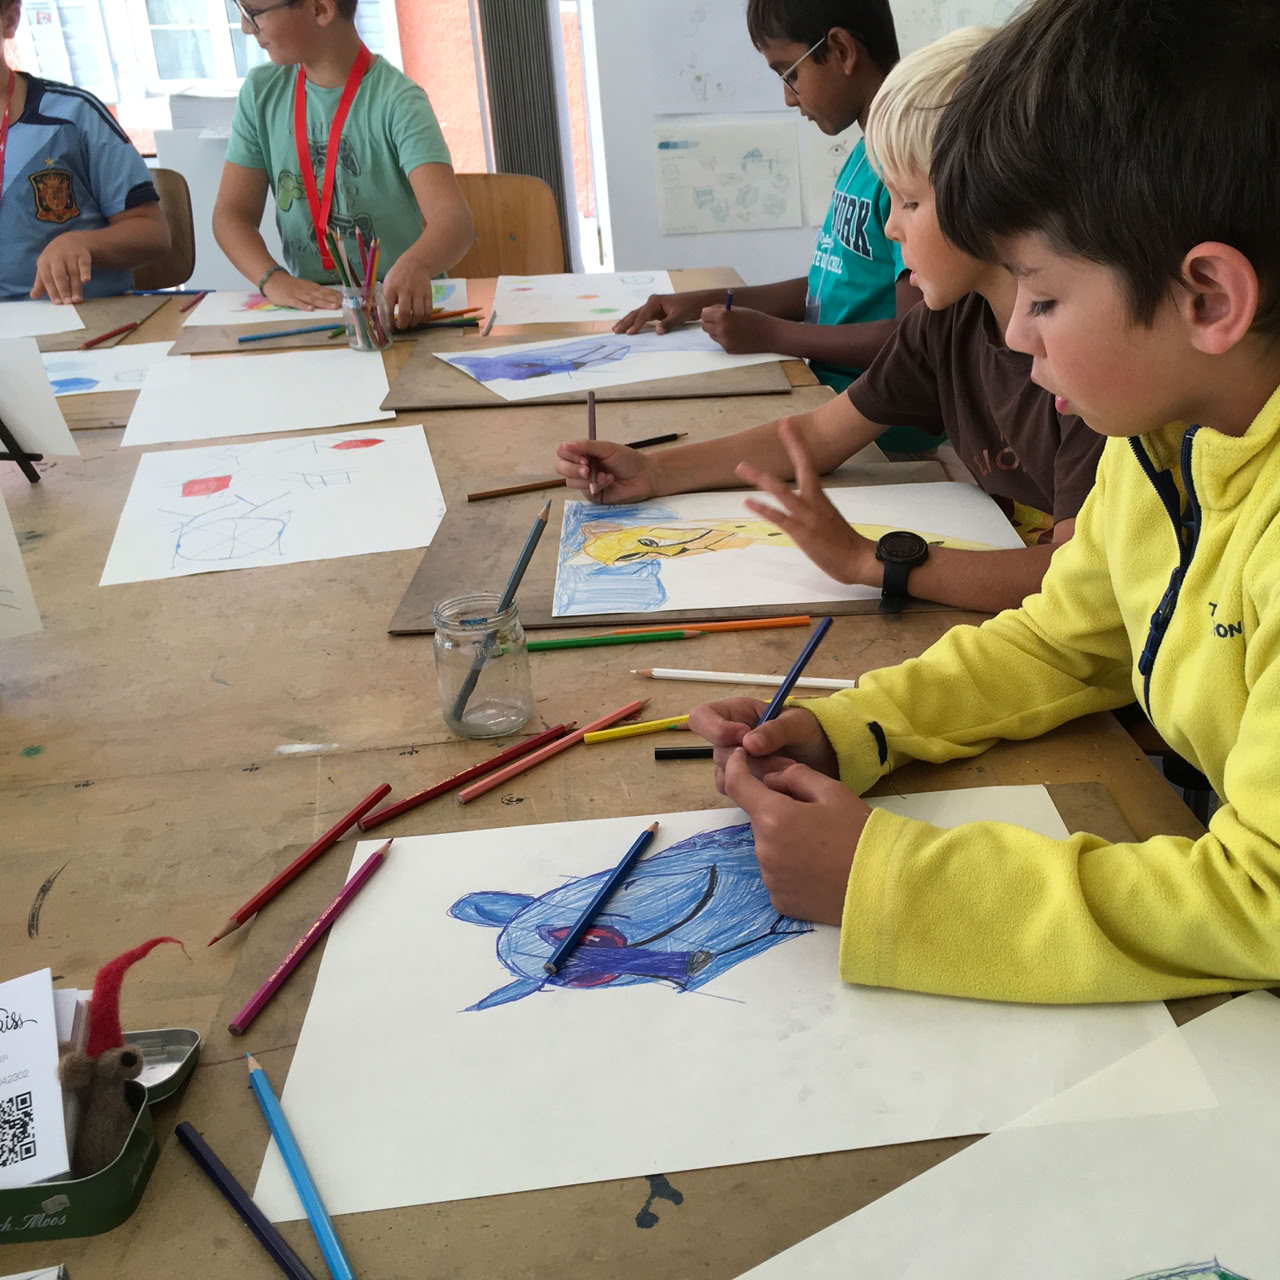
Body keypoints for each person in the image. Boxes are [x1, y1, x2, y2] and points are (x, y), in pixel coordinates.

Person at [691, 0, 1280, 1005]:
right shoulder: (1160, 444)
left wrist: (888, 881)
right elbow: (1063, 638)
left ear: (1207, 299)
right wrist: (856, 726)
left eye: (1039, 295)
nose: (1014, 338)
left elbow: (1261, 899)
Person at [557, 27, 1102, 613]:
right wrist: (652, 472)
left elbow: (1070, 580)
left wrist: (876, 562)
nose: (891, 228)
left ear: (990, 198)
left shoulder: (1082, 358)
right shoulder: (949, 323)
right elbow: (817, 437)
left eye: (909, 202)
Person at [616, 0, 929, 451]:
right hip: (826, 401)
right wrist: (708, 299)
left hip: (876, 436)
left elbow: (911, 338)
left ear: (841, 50)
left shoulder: (904, 167)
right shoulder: (864, 156)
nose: (788, 97)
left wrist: (772, 334)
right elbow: (834, 284)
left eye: (790, 73)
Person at [213, 0, 473, 329]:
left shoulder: (398, 100)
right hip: (316, 314)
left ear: (321, 9)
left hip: (397, 310)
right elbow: (230, 215)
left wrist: (418, 264)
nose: (246, 27)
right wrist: (272, 279)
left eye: (254, 13)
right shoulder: (260, 93)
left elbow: (455, 221)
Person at [0, 0, 170, 303]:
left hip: (74, 323)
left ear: (10, 19)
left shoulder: (73, 115)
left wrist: (83, 243)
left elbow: (153, 234)